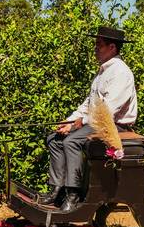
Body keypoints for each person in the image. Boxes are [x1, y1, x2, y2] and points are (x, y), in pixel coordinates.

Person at [39, 26, 138, 212]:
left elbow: (108, 109)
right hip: (96, 122)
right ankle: (56, 189)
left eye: (99, 45)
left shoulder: (121, 73)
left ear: (112, 48)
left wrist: (81, 122)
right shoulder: (103, 72)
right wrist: (69, 121)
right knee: (54, 138)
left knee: (72, 141)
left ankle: (73, 194)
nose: (95, 48)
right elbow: (88, 103)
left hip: (115, 126)